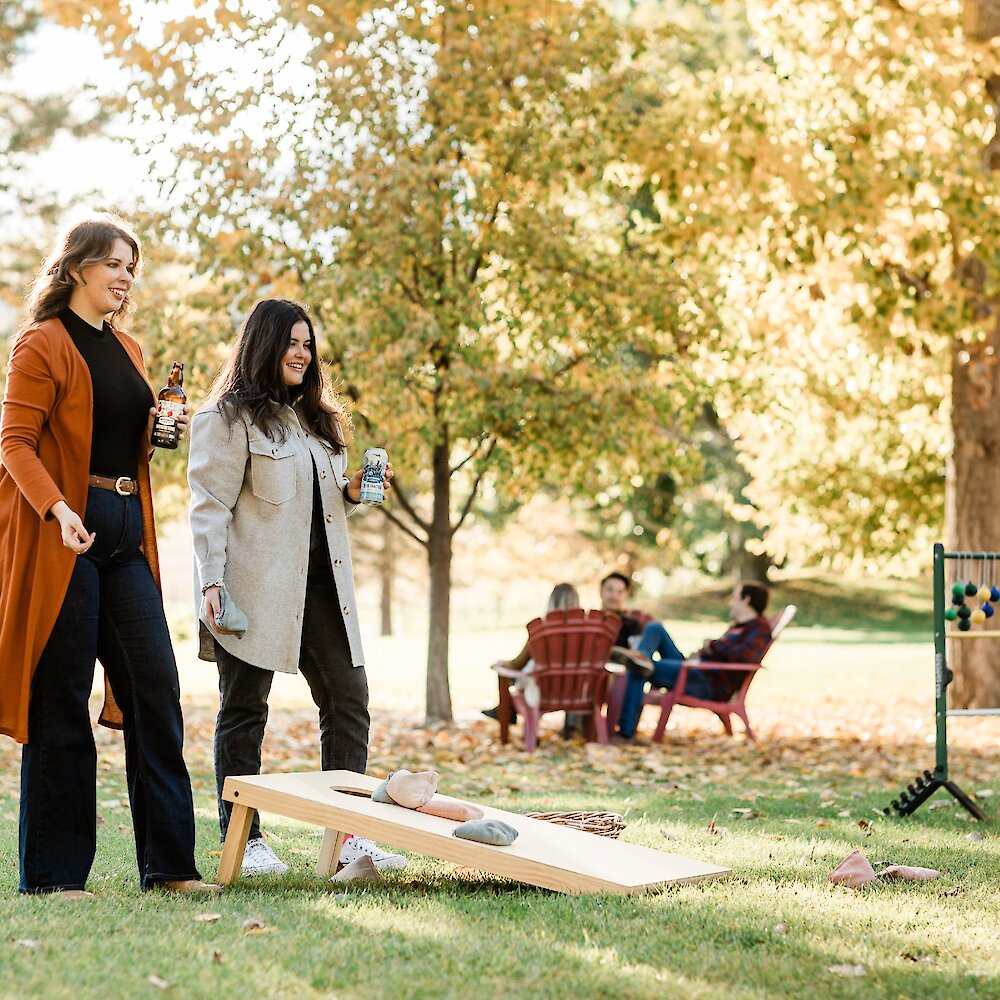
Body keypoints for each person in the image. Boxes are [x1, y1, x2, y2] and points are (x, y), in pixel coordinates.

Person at [0, 214, 218, 897]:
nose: (126, 278)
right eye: (114, 264)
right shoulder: (40, 344)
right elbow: (15, 444)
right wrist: (58, 508)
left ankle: (171, 868)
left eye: (132, 267)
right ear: (75, 268)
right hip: (66, 535)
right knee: (61, 700)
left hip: (126, 535)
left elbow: (122, 440)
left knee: (155, 690)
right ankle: (54, 876)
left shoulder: (131, 348)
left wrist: (159, 432)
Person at [188, 297, 407, 876]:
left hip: (322, 592)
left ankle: (349, 837)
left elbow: (323, 504)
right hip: (252, 589)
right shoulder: (226, 419)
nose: (302, 353)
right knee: (243, 709)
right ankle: (247, 840)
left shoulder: (319, 422)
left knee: (349, 698)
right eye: (290, 342)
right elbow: (208, 506)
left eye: (308, 344)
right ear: (264, 345)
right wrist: (211, 582)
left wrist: (354, 491)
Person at [615, 581, 772, 741]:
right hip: (696, 670)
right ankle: (641, 656)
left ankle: (625, 732)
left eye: (734, 597)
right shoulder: (740, 626)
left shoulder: (759, 628)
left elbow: (745, 658)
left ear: (746, 600)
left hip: (707, 683)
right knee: (655, 628)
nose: (730, 602)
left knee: (639, 667)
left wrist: (712, 645)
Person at [481, 583, 580, 723]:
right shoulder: (587, 632)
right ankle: (506, 709)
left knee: (514, 674)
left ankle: (506, 710)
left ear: (552, 602)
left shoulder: (542, 631)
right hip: (579, 693)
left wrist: (501, 664)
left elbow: (517, 664)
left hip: (544, 693)